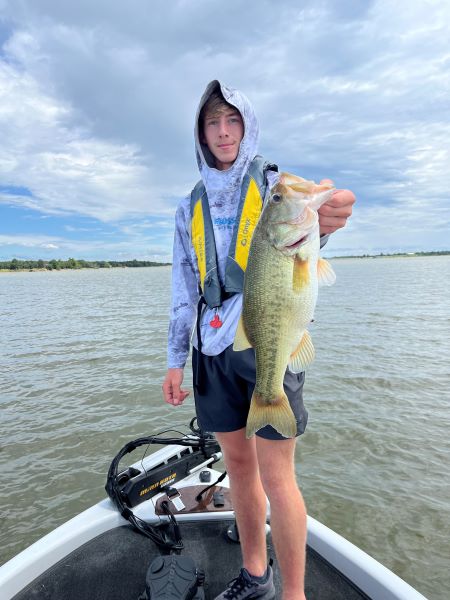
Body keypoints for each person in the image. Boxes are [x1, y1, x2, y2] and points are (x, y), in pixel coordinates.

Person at [162, 80, 355, 600]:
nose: (223, 132)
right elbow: (183, 285)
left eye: (233, 120)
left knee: (278, 478)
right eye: (212, 122)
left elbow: (310, 229)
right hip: (211, 349)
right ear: (200, 133)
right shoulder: (189, 207)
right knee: (240, 472)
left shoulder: (274, 184)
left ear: (247, 125)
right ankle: (255, 575)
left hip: (271, 340)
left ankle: (295, 594)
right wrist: (175, 358)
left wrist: (330, 217)